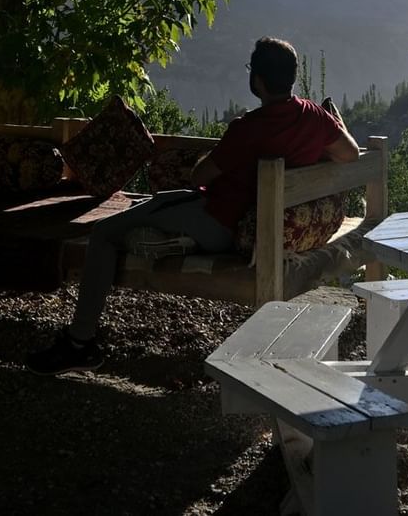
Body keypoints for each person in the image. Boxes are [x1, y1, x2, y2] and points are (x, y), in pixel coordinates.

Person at [28, 36, 360, 375]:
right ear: (291, 76)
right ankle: (170, 239)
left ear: (257, 80)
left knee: (104, 232)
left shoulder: (248, 128)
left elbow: (202, 173)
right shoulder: (315, 118)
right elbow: (349, 154)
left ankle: (79, 343)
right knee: (162, 204)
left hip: (218, 222)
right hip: (248, 221)